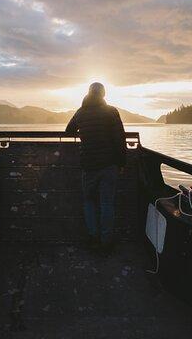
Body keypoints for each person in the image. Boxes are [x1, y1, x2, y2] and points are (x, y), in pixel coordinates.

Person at [66, 82, 127, 254]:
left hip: (89, 165)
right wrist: (122, 163)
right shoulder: (111, 111)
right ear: (103, 94)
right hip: (109, 165)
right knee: (107, 203)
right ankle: (106, 241)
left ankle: (93, 237)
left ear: (88, 93)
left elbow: (68, 131)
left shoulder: (81, 112)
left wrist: (84, 133)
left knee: (89, 202)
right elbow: (119, 139)